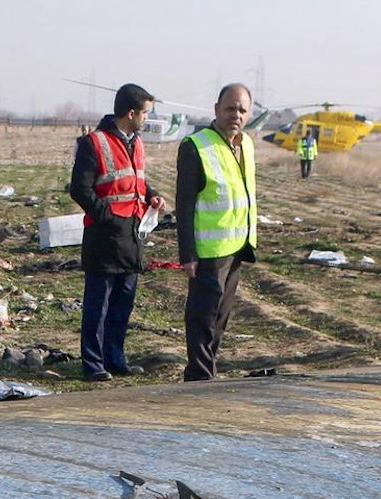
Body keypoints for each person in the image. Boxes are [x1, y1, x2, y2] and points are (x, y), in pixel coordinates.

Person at [68, 83, 166, 381]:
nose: (147, 119)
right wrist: (108, 217)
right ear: (132, 112)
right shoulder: (93, 143)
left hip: (132, 235)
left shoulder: (136, 142)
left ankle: (115, 358)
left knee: (123, 303)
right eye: (146, 113)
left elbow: (135, 180)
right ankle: (93, 364)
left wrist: (152, 195)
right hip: (105, 237)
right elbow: (80, 190)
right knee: (99, 305)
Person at [177, 84, 260, 382]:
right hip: (208, 251)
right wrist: (187, 253)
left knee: (220, 317)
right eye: (229, 108)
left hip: (236, 245)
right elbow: (184, 204)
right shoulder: (196, 146)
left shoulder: (246, 145)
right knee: (202, 316)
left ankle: (207, 370)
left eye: (242, 110)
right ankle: (199, 376)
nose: (235, 115)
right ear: (216, 109)